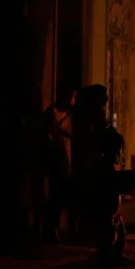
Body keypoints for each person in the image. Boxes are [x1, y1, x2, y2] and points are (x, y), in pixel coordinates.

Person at [73, 85, 134, 266]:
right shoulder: (89, 122)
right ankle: (107, 253)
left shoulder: (95, 120)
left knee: (113, 212)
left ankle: (113, 251)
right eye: (102, 98)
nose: (106, 101)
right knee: (107, 213)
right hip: (101, 171)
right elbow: (94, 147)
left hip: (107, 168)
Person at [42, 89, 76, 244]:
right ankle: (51, 228)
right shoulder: (51, 113)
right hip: (54, 158)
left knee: (64, 194)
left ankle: (63, 228)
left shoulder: (72, 114)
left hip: (67, 158)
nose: (73, 99)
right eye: (72, 95)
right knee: (54, 195)